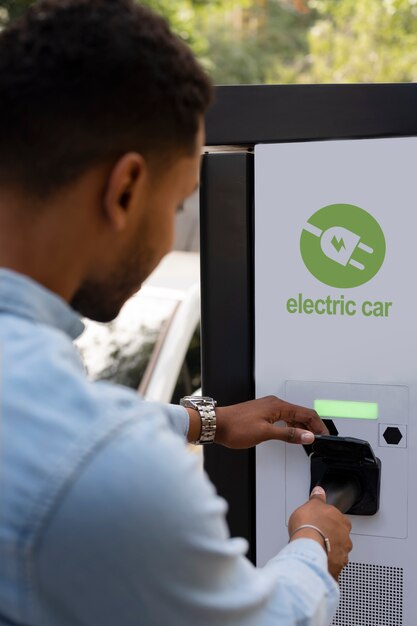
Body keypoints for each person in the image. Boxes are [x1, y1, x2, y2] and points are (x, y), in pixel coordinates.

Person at [0, 1, 352, 625]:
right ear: (126, 190)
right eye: (179, 203)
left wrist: (203, 421)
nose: (170, 237)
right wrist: (314, 546)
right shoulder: (102, 461)